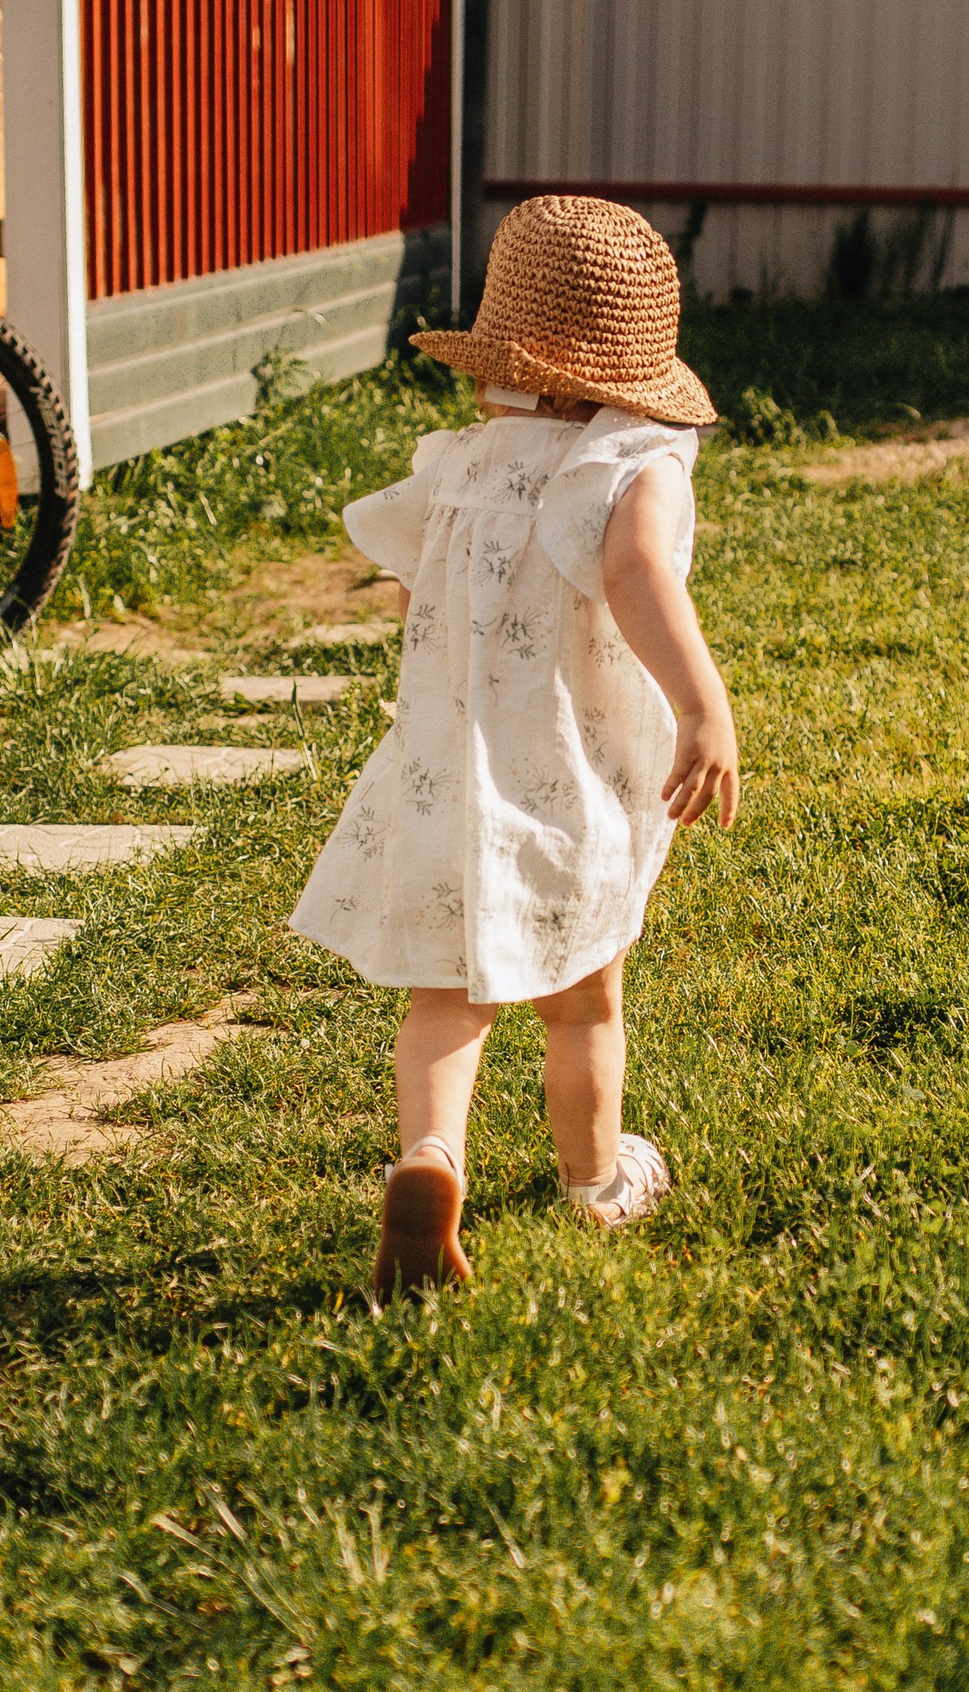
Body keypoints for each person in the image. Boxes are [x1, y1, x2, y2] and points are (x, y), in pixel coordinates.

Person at [288, 194, 740, 1296]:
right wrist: (701, 704)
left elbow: (418, 601)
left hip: (445, 772)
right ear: (631, 366)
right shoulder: (631, 460)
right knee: (583, 999)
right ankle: (597, 1180)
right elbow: (637, 573)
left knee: (446, 998)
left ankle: (429, 1155)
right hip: (569, 775)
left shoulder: (460, 458)